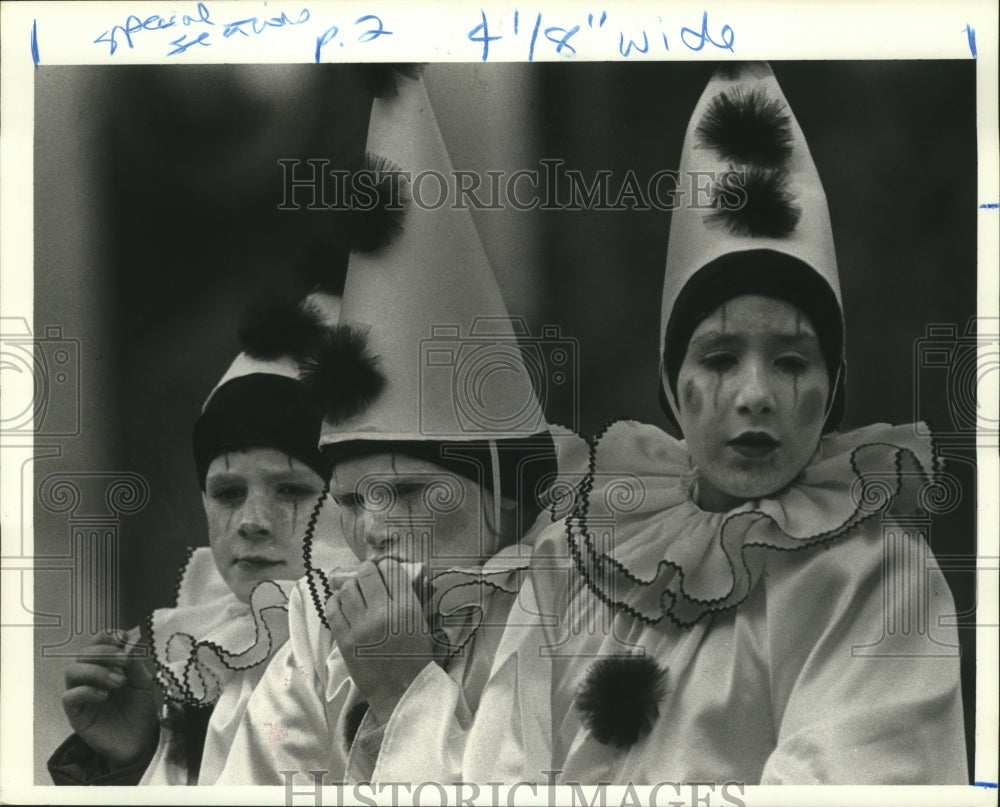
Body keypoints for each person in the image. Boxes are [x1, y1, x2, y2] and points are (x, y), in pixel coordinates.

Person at [397, 61, 968, 785]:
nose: (755, 393)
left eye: (792, 360)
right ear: (672, 381)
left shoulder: (875, 576)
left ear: (835, 385)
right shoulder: (578, 557)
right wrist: (402, 696)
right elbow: (494, 773)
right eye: (721, 356)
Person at [211, 69, 586, 786]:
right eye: (350, 501)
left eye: (411, 490)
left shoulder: (572, 618)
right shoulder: (316, 628)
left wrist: (401, 691)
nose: (375, 530)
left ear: (504, 496)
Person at [47, 293, 349, 785]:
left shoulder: (384, 659)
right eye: (227, 492)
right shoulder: (201, 665)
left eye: (291, 490)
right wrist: (136, 761)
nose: (251, 521)